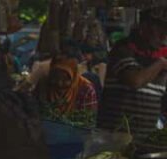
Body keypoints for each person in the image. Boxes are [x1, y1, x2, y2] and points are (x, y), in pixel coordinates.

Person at [98, 7, 167, 139]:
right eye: (160, 29)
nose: (164, 36)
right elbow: (135, 81)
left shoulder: (159, 57)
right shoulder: (123, 49)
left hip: (143, 141)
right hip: (113, 139)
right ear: (144, 26)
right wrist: (161, 64)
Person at [36, 54, 98, 120]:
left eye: (65, 79)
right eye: (55, 78)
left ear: (74, 77)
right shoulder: (44, 84)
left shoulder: (86, 89)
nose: (59, 83)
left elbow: (89, 120)